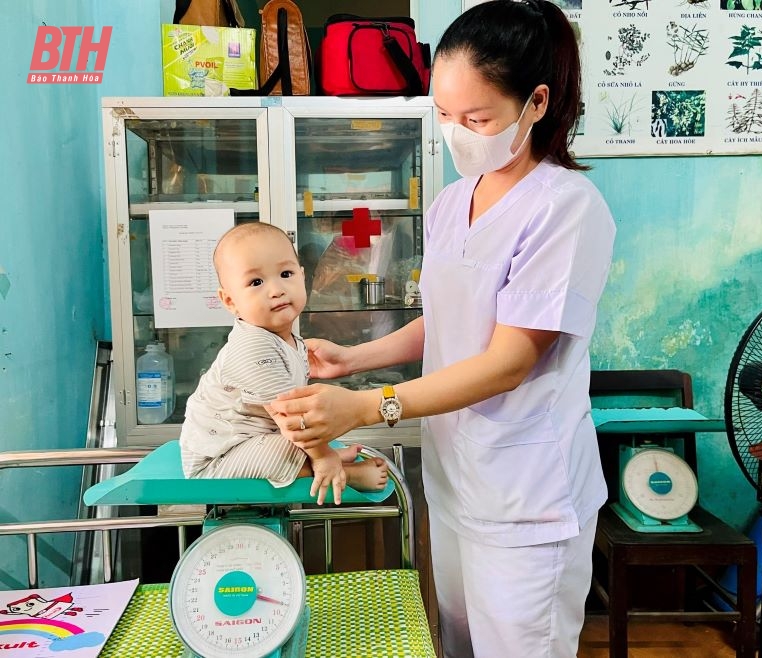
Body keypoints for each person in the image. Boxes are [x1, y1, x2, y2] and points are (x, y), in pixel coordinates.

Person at [268, 1, 616, 655]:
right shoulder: (456, 201)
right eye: (444, 115)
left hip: (525, 501)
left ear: (536, 102)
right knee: (457, 643)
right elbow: (451, 319)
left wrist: (369, 405)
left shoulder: (565, 208)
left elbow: (510, 358)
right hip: (456, 484)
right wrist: (352, 360)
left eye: (476, 117)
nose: (457, 133)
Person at [179, 222, 388, 505]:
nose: (276, 290)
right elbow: (292, 420)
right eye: (256, 282)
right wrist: (324, 455)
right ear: (230, 301)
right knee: (282, 449)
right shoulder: (252, 346)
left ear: (303, 277)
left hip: (256, 440)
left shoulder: (289, 339)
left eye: (286, 274)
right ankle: (344, 473)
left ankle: (320, 460)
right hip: (218, 459)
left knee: (297, 438)